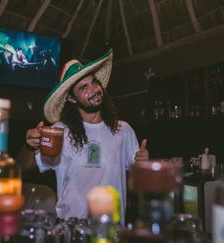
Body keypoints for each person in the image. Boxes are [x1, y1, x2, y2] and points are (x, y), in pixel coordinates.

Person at [24, 49, 149, 224]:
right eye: (84, 87)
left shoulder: (123, 130)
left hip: (111, 231)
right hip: (72, 229)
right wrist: (31, 147)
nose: (94, 89)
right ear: (72, 99)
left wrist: (143, 165)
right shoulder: (59, 131)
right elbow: (26, 168)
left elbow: (136, 183)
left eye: (94, 82)